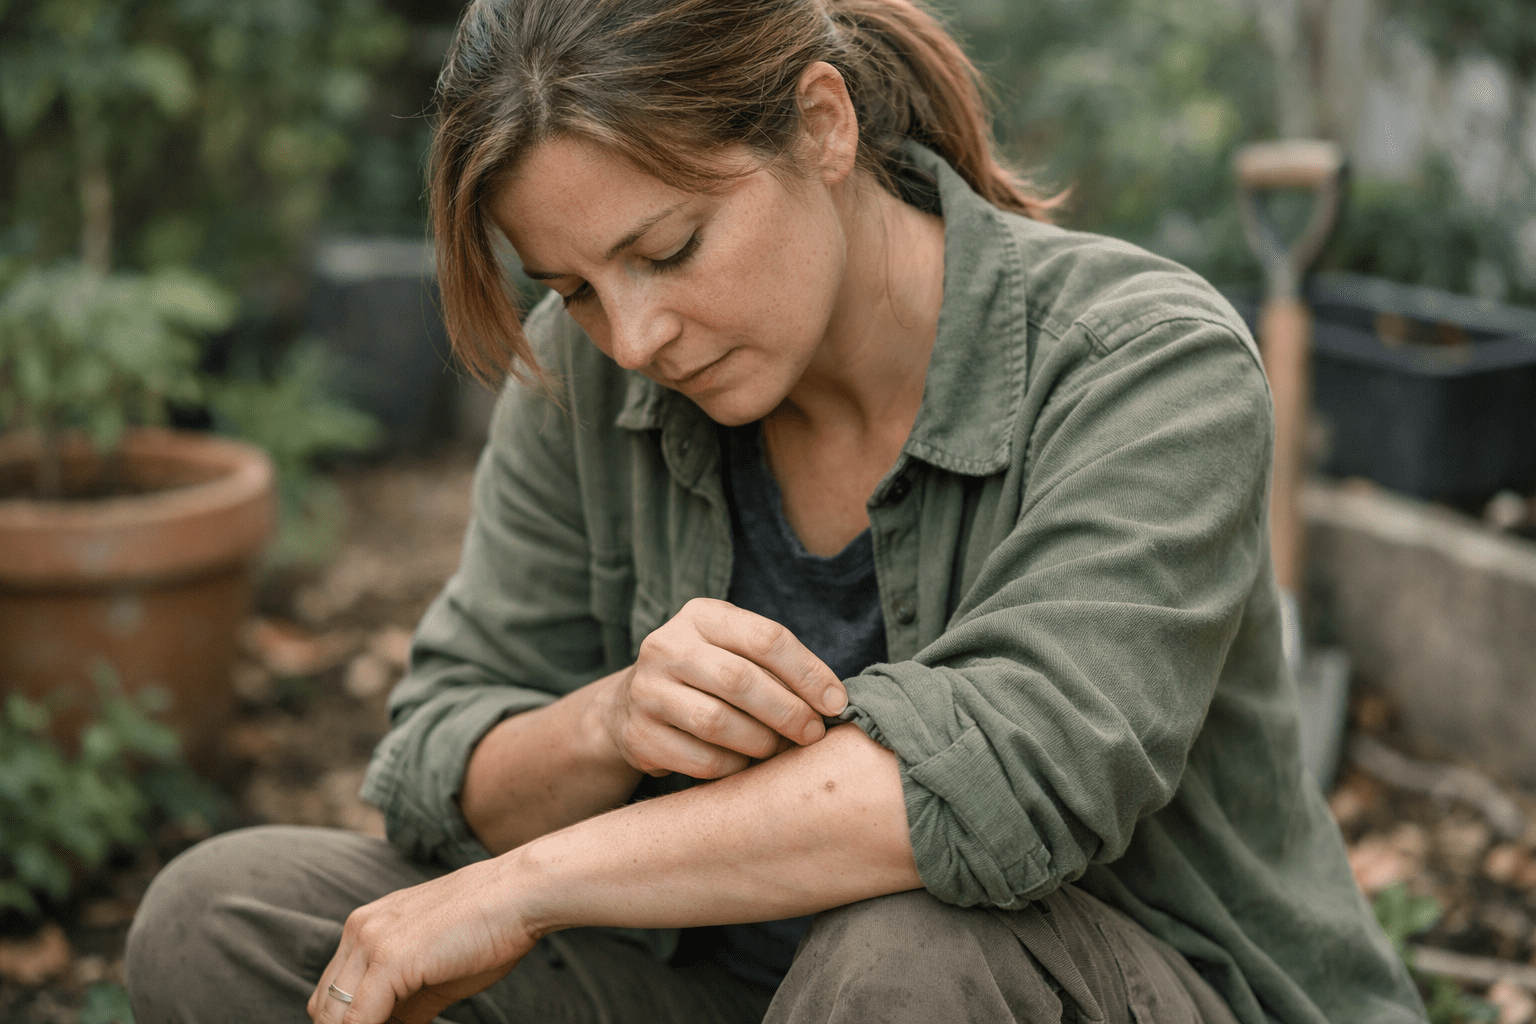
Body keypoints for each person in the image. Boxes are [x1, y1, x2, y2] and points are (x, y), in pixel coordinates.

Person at [124, 1, 1428, 1022]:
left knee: (905, 959)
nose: (633, 335)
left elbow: (1007, 781)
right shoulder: (587, 375)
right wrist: (607, 722)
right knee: (222, 919)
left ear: (822, 124)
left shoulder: (1142, 362)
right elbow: (441, 765)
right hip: (720, 990)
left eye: (667, 250)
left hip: (1089, 992)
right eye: (573, 288)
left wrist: (527, 889)